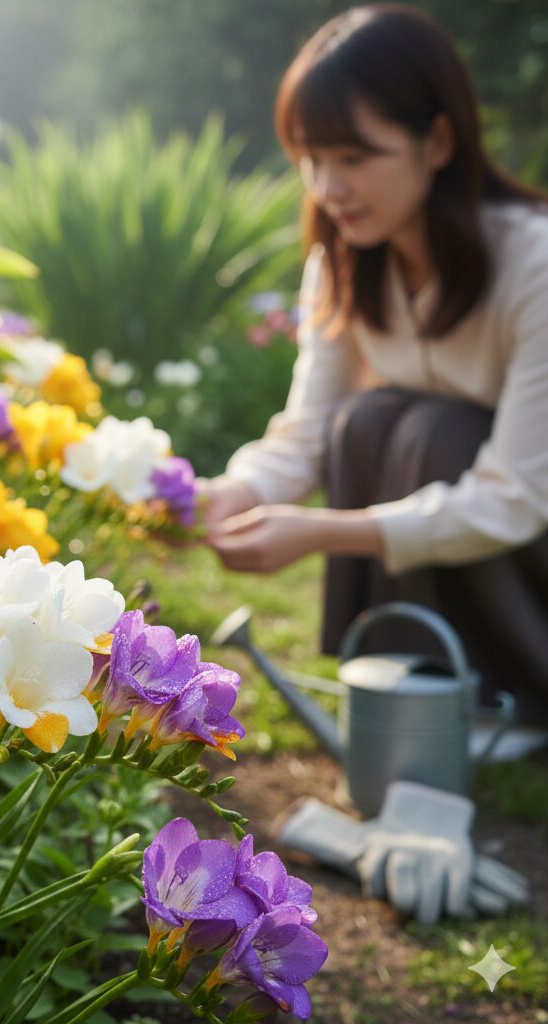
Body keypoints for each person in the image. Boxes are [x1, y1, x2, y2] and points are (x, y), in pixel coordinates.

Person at [199, 4, 548, 726]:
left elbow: (517, 494)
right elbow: (308, 432)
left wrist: (324, 529)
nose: (327, 189)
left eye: (353, 158)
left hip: (532, 546)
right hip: (481, 533)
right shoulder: (345, 266)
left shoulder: (533, 264)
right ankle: (410, 701)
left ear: (439, 140)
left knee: (433, 434)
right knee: (368, 419)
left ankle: (503, 697)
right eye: (311, 158)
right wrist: (232, 492)